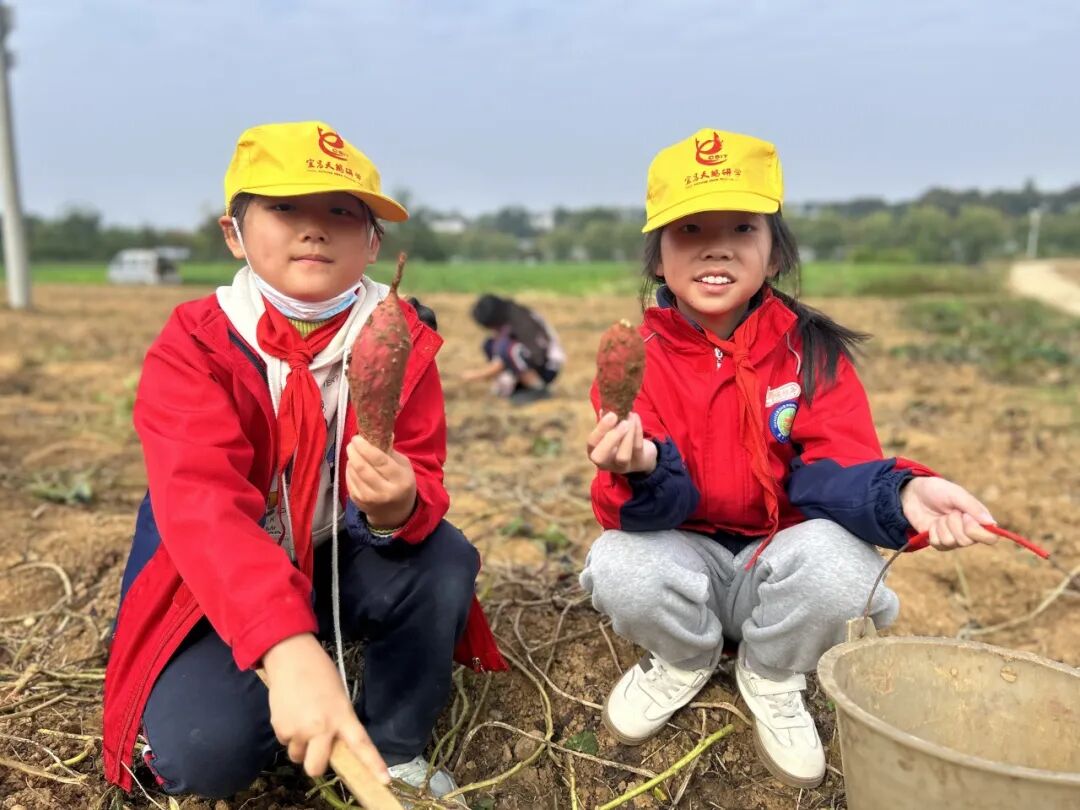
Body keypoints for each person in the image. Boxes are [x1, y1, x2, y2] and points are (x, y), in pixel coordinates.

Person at [580, 129, 999, 788]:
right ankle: (683, 658)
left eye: (742, 227)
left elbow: (833, 471)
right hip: (685, 558)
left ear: (773, 254)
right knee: (616, 562)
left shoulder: (811, 354)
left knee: (843, 564)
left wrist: (900, 496)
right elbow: (636, 512)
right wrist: (639, 469)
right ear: (658, 258)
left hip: (778, 563)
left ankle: (773, 672)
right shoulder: (637, 361)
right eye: (690, 229)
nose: (716, 245)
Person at [101, 121, 506, 803]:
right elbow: (203, 510)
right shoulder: (196, 346)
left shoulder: (398, 337)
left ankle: (396, 748)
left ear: (373, 241)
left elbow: (424, 472)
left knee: (443, 559)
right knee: (202, 753)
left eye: (341, 212)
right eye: (286, 208)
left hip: (335, 555)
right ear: (233, 232)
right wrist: (286, 648)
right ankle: (286, 688)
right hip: (220, 574)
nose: (314, 229)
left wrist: (396, 508)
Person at [462, 293, 565, 404]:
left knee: (510, 350)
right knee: (490, 344)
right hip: (535, 359)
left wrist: (478, 375)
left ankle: (538, 388)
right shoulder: (509, 317)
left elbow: (512, 356)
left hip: (548, 366)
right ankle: (517, 386)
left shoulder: (521, 321)